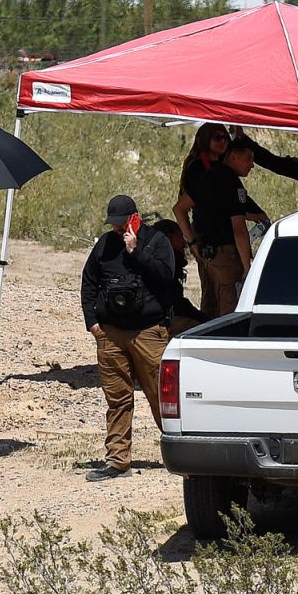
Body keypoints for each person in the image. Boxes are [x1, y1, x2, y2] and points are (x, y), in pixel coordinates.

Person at [80, 195, 176, 483]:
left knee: (161, 396)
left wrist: (136, 252)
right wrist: (94, 325)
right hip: (110, 333)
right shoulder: (104, 245)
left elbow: (167, 277)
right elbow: (88, 283)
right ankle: (117, 460)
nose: (118, 230)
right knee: (117, 399)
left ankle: (181, 452)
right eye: (114, 226)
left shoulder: (156, 242)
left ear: (136, 219)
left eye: (122, 225)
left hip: (148, 332)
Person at [174, 124, 267, 318]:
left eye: (225, 138)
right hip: (222, 252)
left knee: (211, 310)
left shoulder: (211, 174)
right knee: (228, 316)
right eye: (217, 138)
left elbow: (187, 207)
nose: (223, 141)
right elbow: (238, 229)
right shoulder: (204, 170)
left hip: (209, 251)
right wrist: (247, 267)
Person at [153, 218, 207, 334]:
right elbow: (178, 304)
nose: (184, 241)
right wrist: (203, 319)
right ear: (168, 237)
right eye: (180, 235)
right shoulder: (164, 264)